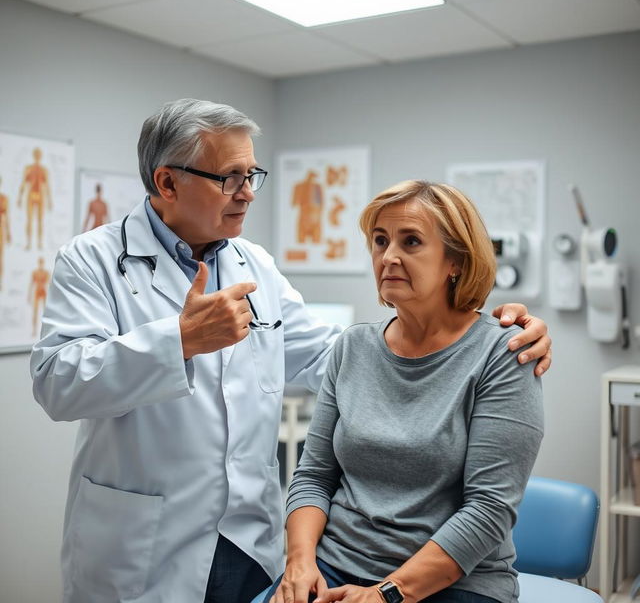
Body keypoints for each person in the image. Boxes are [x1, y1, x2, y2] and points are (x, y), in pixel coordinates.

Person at [31, 99, 550, 603]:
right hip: (145, 541)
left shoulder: (253, 264)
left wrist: (481, 342)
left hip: (247, 538)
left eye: (252, 176)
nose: (248, 193)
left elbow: (340, 360)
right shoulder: (92, 260)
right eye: (229, 178)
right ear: (168, 182)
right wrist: (180, 341)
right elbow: (57, 380)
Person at [265, 181, 544, 603]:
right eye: (380, 241)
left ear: (455, 260)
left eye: (410, 241)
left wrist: (385, 594)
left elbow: (488, 512)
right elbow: (313, 477)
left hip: (454, 581)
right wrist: (300, 563)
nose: (388, 256)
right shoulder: (352, 347)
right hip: (335, 565)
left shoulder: (502, 354)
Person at [18, 146, 52, 250]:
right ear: (34, 155)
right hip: (31, 194)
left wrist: (50, 200)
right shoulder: (28, 168)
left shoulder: (44, 170)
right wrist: (20, 197)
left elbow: (47, 186)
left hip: (40, 195)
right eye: (36, 154)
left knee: (40, 220)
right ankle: (28, 242)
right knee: (29, 220)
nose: (37, 156)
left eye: (39, 155)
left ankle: (39, 243)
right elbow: (23, 183)